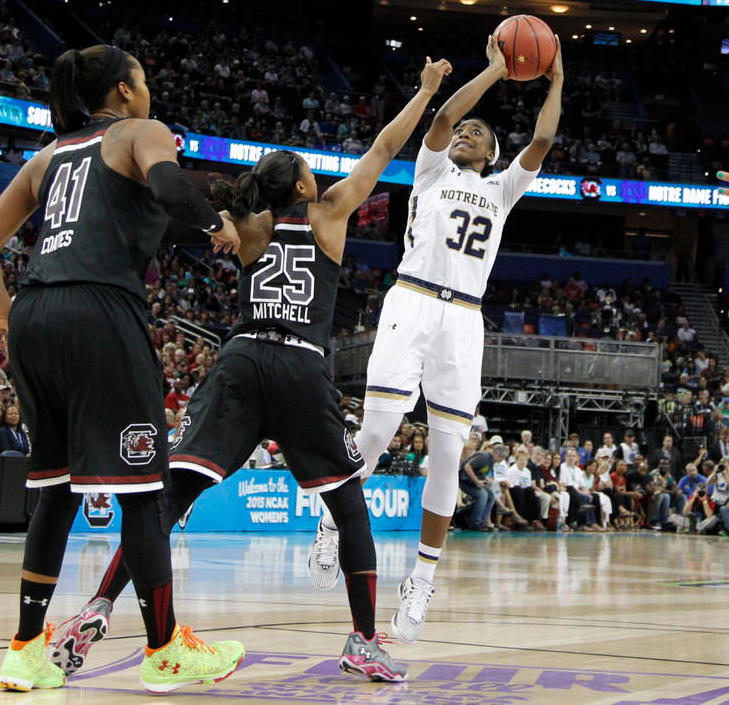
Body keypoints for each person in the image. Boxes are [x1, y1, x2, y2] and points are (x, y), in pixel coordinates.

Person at [48, 55, 452, 685]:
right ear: (300, 188)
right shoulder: (329, 214)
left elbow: (169, 204)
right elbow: (385, 145)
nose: (321, 177)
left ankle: (96, 608)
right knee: (347, 505)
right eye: (313, 173)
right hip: (298, 363)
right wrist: (425, 91)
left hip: (239, 361)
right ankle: (365, 641)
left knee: (171, 497)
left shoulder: (245, 224)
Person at [0, 43, 244, 694]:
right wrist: (217, 224)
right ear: (122, 91)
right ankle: (164, 648)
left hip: (33, 315)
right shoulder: (140, 131)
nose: (147, 91)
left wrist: (9, 317)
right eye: (143, 80)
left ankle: (25, 648)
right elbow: (171, 186)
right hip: (101, 311)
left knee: (56, 490)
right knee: (145, 491)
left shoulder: (47, 155)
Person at [309, 33, 563, 644]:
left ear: (494, 152)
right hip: (412, 299)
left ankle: (423, 579)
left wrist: (554, 83)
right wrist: (496, 72)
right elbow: (445, 113)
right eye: (464, 132)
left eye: (479, 133)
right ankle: (330, 521)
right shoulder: (432, 167)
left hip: (464, 321)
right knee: (374, 433)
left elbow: (544, 140)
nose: (467, 134)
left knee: (448, 452)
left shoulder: (503, 188)